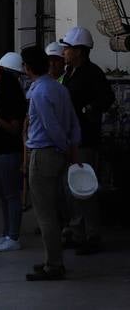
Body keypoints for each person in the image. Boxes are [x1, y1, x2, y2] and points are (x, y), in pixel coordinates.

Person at [21, 45, 80, 281]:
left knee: (45, 213)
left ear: (28, 68)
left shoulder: (39, 92)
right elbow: (73, 122)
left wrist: (65, 147)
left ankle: (54, 264)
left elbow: (51, 126)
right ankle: (51, 260)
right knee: (53, 210)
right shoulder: (59, 88)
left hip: (45, 153)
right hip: (57, 153)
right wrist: (71, 147)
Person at [60, 26, 115, 255]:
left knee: (85, 188)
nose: (64, 52)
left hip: (85, 140)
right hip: (72, 138)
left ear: (79, 51)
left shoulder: (92, 73)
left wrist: (89, 109)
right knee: (72, 188)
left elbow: (107, 98)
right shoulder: (71, 72)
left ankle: (92, 235)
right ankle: (77, 231)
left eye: (68, 49)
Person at [0, 52, 27, 253]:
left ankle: (13, 235)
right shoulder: (3, 94)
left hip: (9, 151)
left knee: (11, 195)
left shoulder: (15, 99)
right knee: (4, 194)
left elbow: (14, 128)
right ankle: (6, 233)